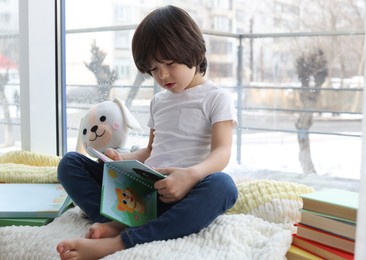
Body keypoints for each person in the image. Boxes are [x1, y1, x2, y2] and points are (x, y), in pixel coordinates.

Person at [56, 5, 238, 260]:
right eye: (153, 69)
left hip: (185, 190)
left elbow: (222, 151)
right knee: (70, 163)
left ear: (194, 52)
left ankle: (121, 239)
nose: (161, 75)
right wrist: (122, 161)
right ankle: (114, 221)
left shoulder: (217, 98)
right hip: (141, 190)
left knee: (224, 186)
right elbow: (151, 151)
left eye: (170, 63)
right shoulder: (159, 101)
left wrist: (190, 176)